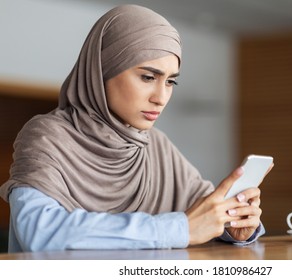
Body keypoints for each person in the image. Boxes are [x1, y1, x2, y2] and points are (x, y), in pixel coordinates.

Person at [0, 5, 272, 252]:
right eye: (148, 77)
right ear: (101, 70)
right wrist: (179, 229)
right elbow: (40, 232)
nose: (161, 97)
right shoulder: (47, 135)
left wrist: (232, 225)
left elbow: (204, 213)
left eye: (170, 82)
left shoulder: (157, 145)